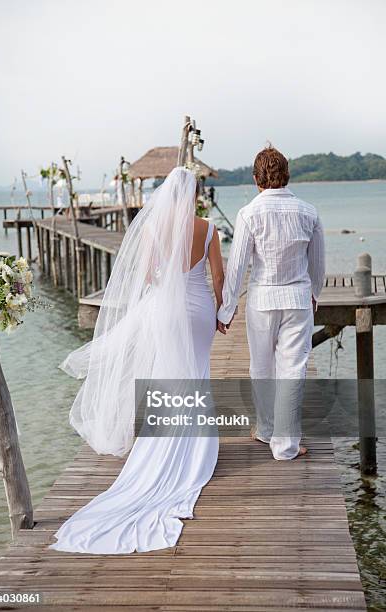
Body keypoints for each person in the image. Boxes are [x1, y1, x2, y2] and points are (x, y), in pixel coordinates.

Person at [50, 167, 224, 554]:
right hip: (198, 312)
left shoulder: (151, 229)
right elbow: (218, 276)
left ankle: (162, 445)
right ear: (195, 195)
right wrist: (221, 312)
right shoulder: (207, 227)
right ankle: (195, 444)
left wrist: (157, 295)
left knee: (166, 376)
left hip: (164, 311)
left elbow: (145, 275)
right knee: (196, 374)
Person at [217, 145, 325, 460]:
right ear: (287, 176)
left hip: (261, 299)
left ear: (256, 179)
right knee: (293, 370)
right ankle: (286, 445)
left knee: (261, 367)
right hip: (297, 299)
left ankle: (265, 430)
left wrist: (226, 307)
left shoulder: (248, 213)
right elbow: (317, 264)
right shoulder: (309, 212)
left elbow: (236, 266)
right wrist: (314, 294)